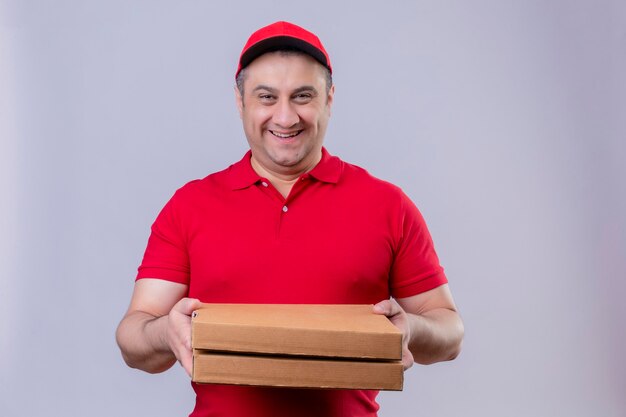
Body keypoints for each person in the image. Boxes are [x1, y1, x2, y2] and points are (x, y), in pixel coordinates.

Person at [116, 21, 464, 417]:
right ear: (240, 101)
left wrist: (412, 329)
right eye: (266, 97)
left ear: (329, 99)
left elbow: (450, 332)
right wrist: (165, 332)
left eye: (303, 96)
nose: (285, 117)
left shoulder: (388, 205)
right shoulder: (189, 205)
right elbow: (133, 335)